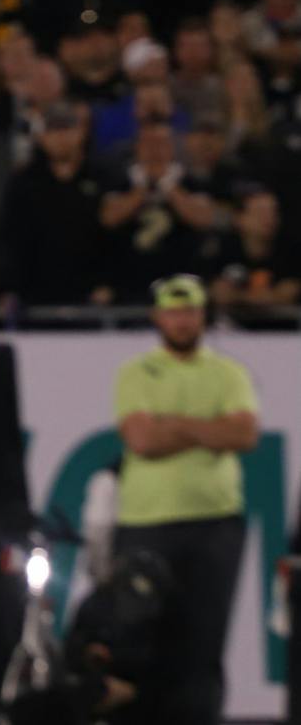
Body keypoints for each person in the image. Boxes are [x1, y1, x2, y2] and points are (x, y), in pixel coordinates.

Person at [114, 275, 259, 725]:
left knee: (203, 644)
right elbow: (142, 440)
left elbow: (244, 433)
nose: (183, 320)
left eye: (191, 311)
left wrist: (174, 424)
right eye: (174, 312)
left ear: (203, 315)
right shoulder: (136, 372)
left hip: (215, 522)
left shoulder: (228, 373)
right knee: (140, 639)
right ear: (158, 316)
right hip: (147, 521)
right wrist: (207, 429)